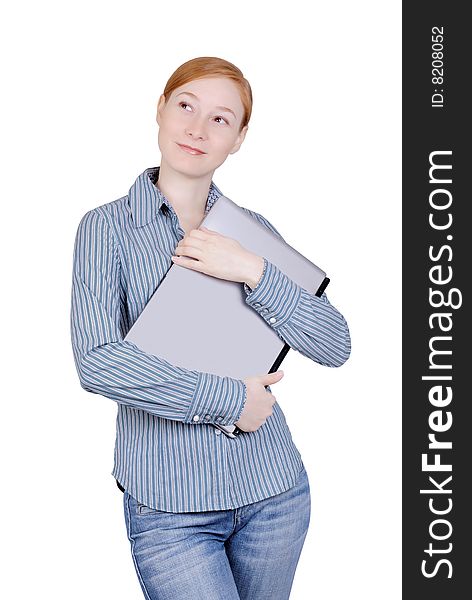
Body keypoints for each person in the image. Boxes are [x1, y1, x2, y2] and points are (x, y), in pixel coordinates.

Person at [70, 56, 351, 600]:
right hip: (171, 513)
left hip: (275, 495)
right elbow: (97, 359)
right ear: (161, 109)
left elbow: (335, 344)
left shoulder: (253, 233)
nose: (198, 129)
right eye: (186, 106)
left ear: (239, 138)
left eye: (221, 119)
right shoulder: (105, 228)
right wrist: (228, 399)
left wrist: (254, 270)